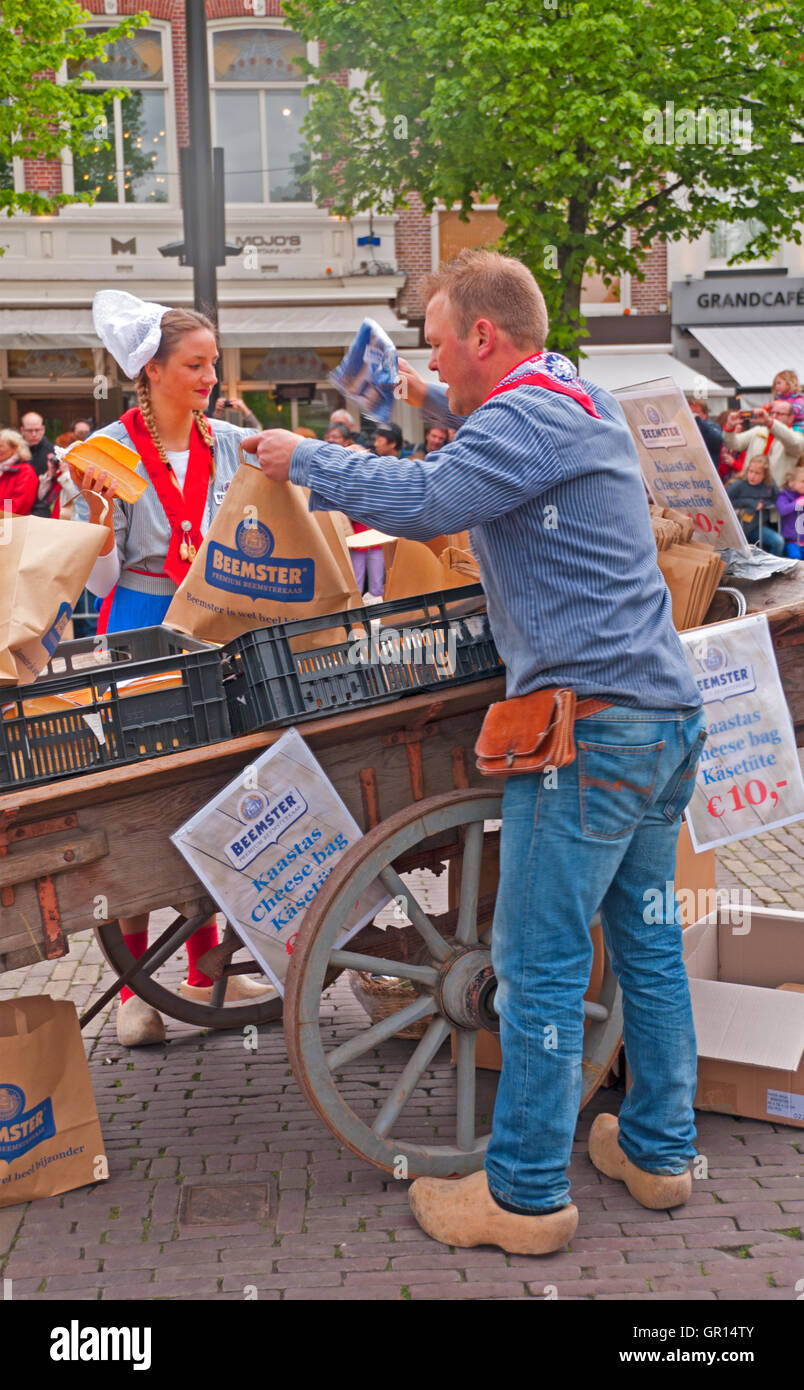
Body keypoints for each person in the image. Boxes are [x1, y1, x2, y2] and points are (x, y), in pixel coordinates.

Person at [245, 248, 706, 1256]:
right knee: (646, 942)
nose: (434, 358)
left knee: (537, 964)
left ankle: (527, 1197)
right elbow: (474, 459)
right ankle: (662, 1152)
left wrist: (303, 457)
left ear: (485, 336)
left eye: (441, 339)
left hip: (585, 728)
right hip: (660, 715)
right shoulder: (572, 395)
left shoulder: (522, 416)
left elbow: (424, 504)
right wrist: (423, 393)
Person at [73, 289, 273, 1047]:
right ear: (150, 371)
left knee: (218, 790)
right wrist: (95, 518)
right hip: (143, 628)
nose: (209, 378)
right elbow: (96, 580)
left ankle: (203, 972)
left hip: (219, 623)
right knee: (148, 802)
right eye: (195, 365)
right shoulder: (106, 455)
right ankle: (134, 990)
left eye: (213, 364)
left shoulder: (228, 443)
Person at [722, 400, 803, 488]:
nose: (774, 416)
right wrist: (730, 426)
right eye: (772, 413)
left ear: (791, 418)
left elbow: (795, 444)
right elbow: (733, 444)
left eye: (780, 414)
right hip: (749, 487)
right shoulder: (758, 431)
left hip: (776, 493)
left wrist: (770, 422)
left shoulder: (795, 436)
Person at [726, 456, 785, 554]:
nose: (752, 476)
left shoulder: (770, 485)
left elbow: (777, 499)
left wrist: (764, 504)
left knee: (778, 542)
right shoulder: (739, 484)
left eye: (757, 473)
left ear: (764, 475)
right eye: (751, 471)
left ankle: (772, 568)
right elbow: (725, 500)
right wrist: (750, 502)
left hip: (756, 527)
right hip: (737, 528)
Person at [0, 428, 38, 515]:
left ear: (14, 448)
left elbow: (17, 506)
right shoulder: (2, 469)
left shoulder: (25, 472)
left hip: (12, 525)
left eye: (1, 446)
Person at [776, 463, 804, 559]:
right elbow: (782, 510)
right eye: (802, 481)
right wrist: (797, 504)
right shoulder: (784, 495)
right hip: (792, 542)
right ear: (791, 483)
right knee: (795, 558)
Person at [687, 397, 722, 468]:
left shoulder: (712, 426)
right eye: (688, 412)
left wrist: (698, 421)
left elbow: (717, 440)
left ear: (705, 415)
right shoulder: (686, 429)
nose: (691, 415)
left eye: (695, 413)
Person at [19, 411, 54, 480]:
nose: (34, 434)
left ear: (43, 429)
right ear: (22, 430)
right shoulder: (15, 452)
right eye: (29, 430)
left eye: (37, 430)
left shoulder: (53, 451)